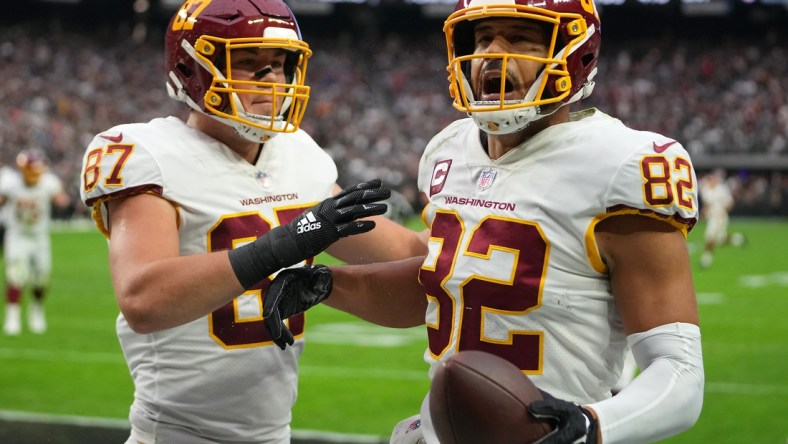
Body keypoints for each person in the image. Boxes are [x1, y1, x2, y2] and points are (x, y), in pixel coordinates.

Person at [263, 0, 705, 442]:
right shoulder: (450, 150)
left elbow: (679, 371)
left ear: (576, 51)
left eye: (519, 36)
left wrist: (590, 426)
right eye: (482, 36)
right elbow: (447, 285)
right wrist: (330, 285)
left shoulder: (622, 164)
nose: (492, 52)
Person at [78, 1, 426, 442]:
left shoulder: (298, 155)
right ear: (191, 70)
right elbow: (143, 298)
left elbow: (410, 254)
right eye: (249, 63)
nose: (273, 80)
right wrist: (280, 247)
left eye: (279, 65)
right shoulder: (149, 153)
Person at [1, 150, 71, 335]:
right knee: (15, 275)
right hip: (17, 235)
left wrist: (62, 199)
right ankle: (12, 317)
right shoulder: (10, 182)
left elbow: (60, 198)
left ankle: (36, 311)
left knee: (41, 278)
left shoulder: (48, 182)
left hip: (39, 236)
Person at [699, 169, 745, 269]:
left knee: (709, 237)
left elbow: (730, 203)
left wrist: (722, 211)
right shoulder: (705, 189)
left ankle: (706, 260)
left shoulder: (722, 189)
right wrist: (704, 212)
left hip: (720, 217)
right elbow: (707, 204)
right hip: (711, 217)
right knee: (721, 240)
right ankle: (738, 239)